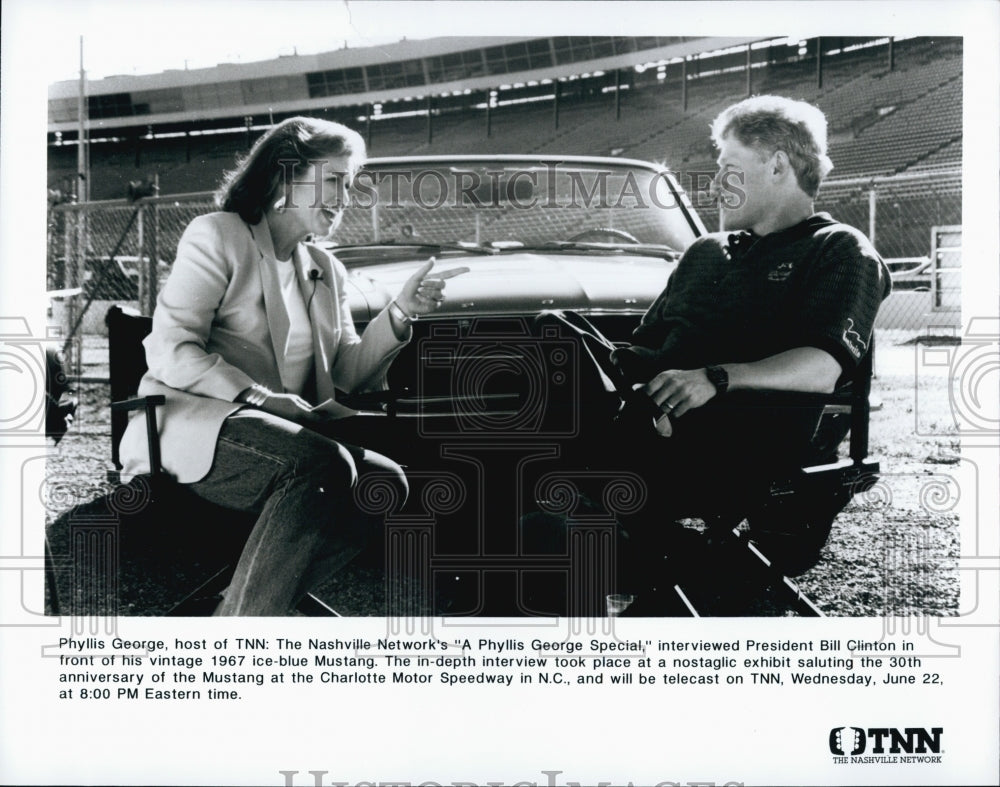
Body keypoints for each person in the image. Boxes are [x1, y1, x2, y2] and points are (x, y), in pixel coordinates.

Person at [119, 117, 466, 615]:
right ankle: (243, 635)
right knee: (322, 464)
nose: (346, 196)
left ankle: (239, 613)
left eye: (351, 184)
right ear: (285, 176)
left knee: (384, 483)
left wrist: (400, 313)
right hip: (187, 425)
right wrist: (258, 398)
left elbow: (347, 372)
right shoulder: (219, 236)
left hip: (281, 439)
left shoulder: (327, 269)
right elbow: (170, 347)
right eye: (335, 180)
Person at [548, 95, 892, 594]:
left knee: (537, 485)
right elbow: (646, 349)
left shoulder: (837, 249)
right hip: (653, 423)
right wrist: (598, 356)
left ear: (777, 166)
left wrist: (717, 376)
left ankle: (661, 560)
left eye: (728, 167)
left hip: (741, 443)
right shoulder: (704, 253)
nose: (714, 184)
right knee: (548, 333)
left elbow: (821, 367)